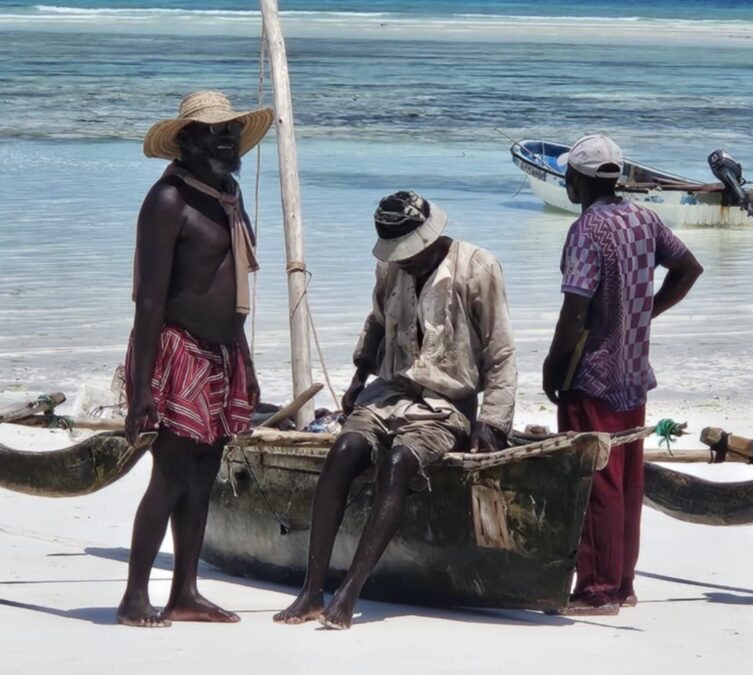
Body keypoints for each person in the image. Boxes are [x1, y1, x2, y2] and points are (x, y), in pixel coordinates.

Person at [274, 191, 517, 630]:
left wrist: (493, 422)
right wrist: (357, 379)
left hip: (445, 404)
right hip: (387, 391)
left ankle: (350, 591)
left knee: (400, 462)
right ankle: (311, 590)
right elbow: (377, 325)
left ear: (430, 238)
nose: (405, 262)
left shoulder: (477, 268)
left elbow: (500, 353)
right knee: (344, 451)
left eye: (411, 254)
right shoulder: (390, 267)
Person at [120, 91, 272, 627]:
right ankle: (136, 595)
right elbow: (149, 297)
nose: (226, 138)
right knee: (171, 472)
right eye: (213, 131)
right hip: (176, 348)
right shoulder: (169, 201)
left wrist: (245, 362)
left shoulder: (227, 193)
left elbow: (231, 289)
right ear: (186, 140)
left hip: (223, 351)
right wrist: (141, 388)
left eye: (230, 129)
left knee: (205, 473)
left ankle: (185, 591)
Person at [543, 135, 702, 615]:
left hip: (591, 372)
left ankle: (597, 589)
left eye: (570, 175)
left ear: (581, 180)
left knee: (595, 480)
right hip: (632, 372)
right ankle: (623, 582)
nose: (567, 182)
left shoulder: (588, 229)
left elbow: (576, 306)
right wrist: (642, 313)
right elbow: (688, 268)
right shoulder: (644, 218)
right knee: (627, 480)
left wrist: (553, 361)